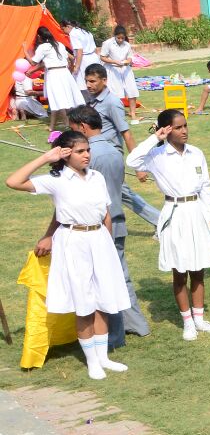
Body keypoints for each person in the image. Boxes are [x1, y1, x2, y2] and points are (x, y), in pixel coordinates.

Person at [6, 131, 130, 379]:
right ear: (65, 154)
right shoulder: (56, 180)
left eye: (87, 150)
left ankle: (103, 357)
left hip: (99, 239)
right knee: (83, 302)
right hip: (73, 241)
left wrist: (106, 243)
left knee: (103, 299)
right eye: (80, 151)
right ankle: (92, 361)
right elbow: (14, 181)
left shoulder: (96, 177)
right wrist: (46, 157)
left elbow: (105, 213)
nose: (86, 155)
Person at [32, 106, 150, 350]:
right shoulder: (114, 150)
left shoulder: (90, 163)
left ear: (82, 127)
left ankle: (112, 337)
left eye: (74, 130)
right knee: (119, 280)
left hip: (100, 228)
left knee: (102, 287)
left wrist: (49, 234)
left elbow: (75, 204)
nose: (83, 152)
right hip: (112, 222)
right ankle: (135, 325)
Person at [127, 109, 210, 341]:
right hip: (175, 212)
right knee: (179, 271)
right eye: (178, 127)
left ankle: (199, 318)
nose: (184, 131)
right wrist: (155, 137)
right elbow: (132, 161)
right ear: (167, 129)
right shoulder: (157, 155)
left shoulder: (196, 153)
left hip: (196, 212)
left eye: (185, 126)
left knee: (199, 269)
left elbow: (205, 187)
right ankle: (187, 321)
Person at [82, 63, 161, 228]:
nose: (89, 85)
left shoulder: (112, 102)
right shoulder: (91, 100)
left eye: (93, 81)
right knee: (118, 192)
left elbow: (127, 134)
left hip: (109, 157)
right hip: (95, 154)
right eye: (87, 81)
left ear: (104, 80)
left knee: (121, 193)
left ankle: (161, 221)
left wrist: (138, 166)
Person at [26, 26, 83, 130]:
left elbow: (33, 62)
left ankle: (62, 125)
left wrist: (24, 50)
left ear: (39, 36)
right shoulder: (59, 44)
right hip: (65, 73)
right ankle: (59, 125)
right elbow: (71, 57)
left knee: (57, 100)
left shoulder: (43, 47)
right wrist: (71, 67)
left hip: (54, 75)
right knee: (61, 100)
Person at [98, 26, 140, 110]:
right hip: (113, 70)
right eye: (118, 38)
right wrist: (114, 62)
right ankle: (117, 111)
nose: (120, 40)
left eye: (122, 38)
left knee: (132, 91)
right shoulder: (108, 43)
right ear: (115, 35)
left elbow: (130, 56)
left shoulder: (127, 45)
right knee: (116, 92)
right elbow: (102, 57)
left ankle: (133, 113)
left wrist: (128, 61)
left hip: (125, 69)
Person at [65, 20, 101, 91]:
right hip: (94, 58)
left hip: (84, 59)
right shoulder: (86, 32)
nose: (64, 32)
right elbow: (95, 49)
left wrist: (76, 67)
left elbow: (79, 50)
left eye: (63, 29)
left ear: (68, 26)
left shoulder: (73, 33)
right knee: (95, 80)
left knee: (82, 84)